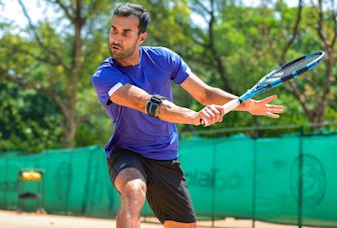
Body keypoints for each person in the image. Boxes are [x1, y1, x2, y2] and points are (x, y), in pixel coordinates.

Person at [91, 3, 284, 228]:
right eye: (114, 29)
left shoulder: (164, 58)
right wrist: (194, 116)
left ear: (141, 38)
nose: (116, 37)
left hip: (165, 155)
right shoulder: (104, 75)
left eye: (126, 32)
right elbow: (148, 104)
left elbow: (205, 93)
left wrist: (245, 105)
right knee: (134, 189)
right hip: (126, 152)